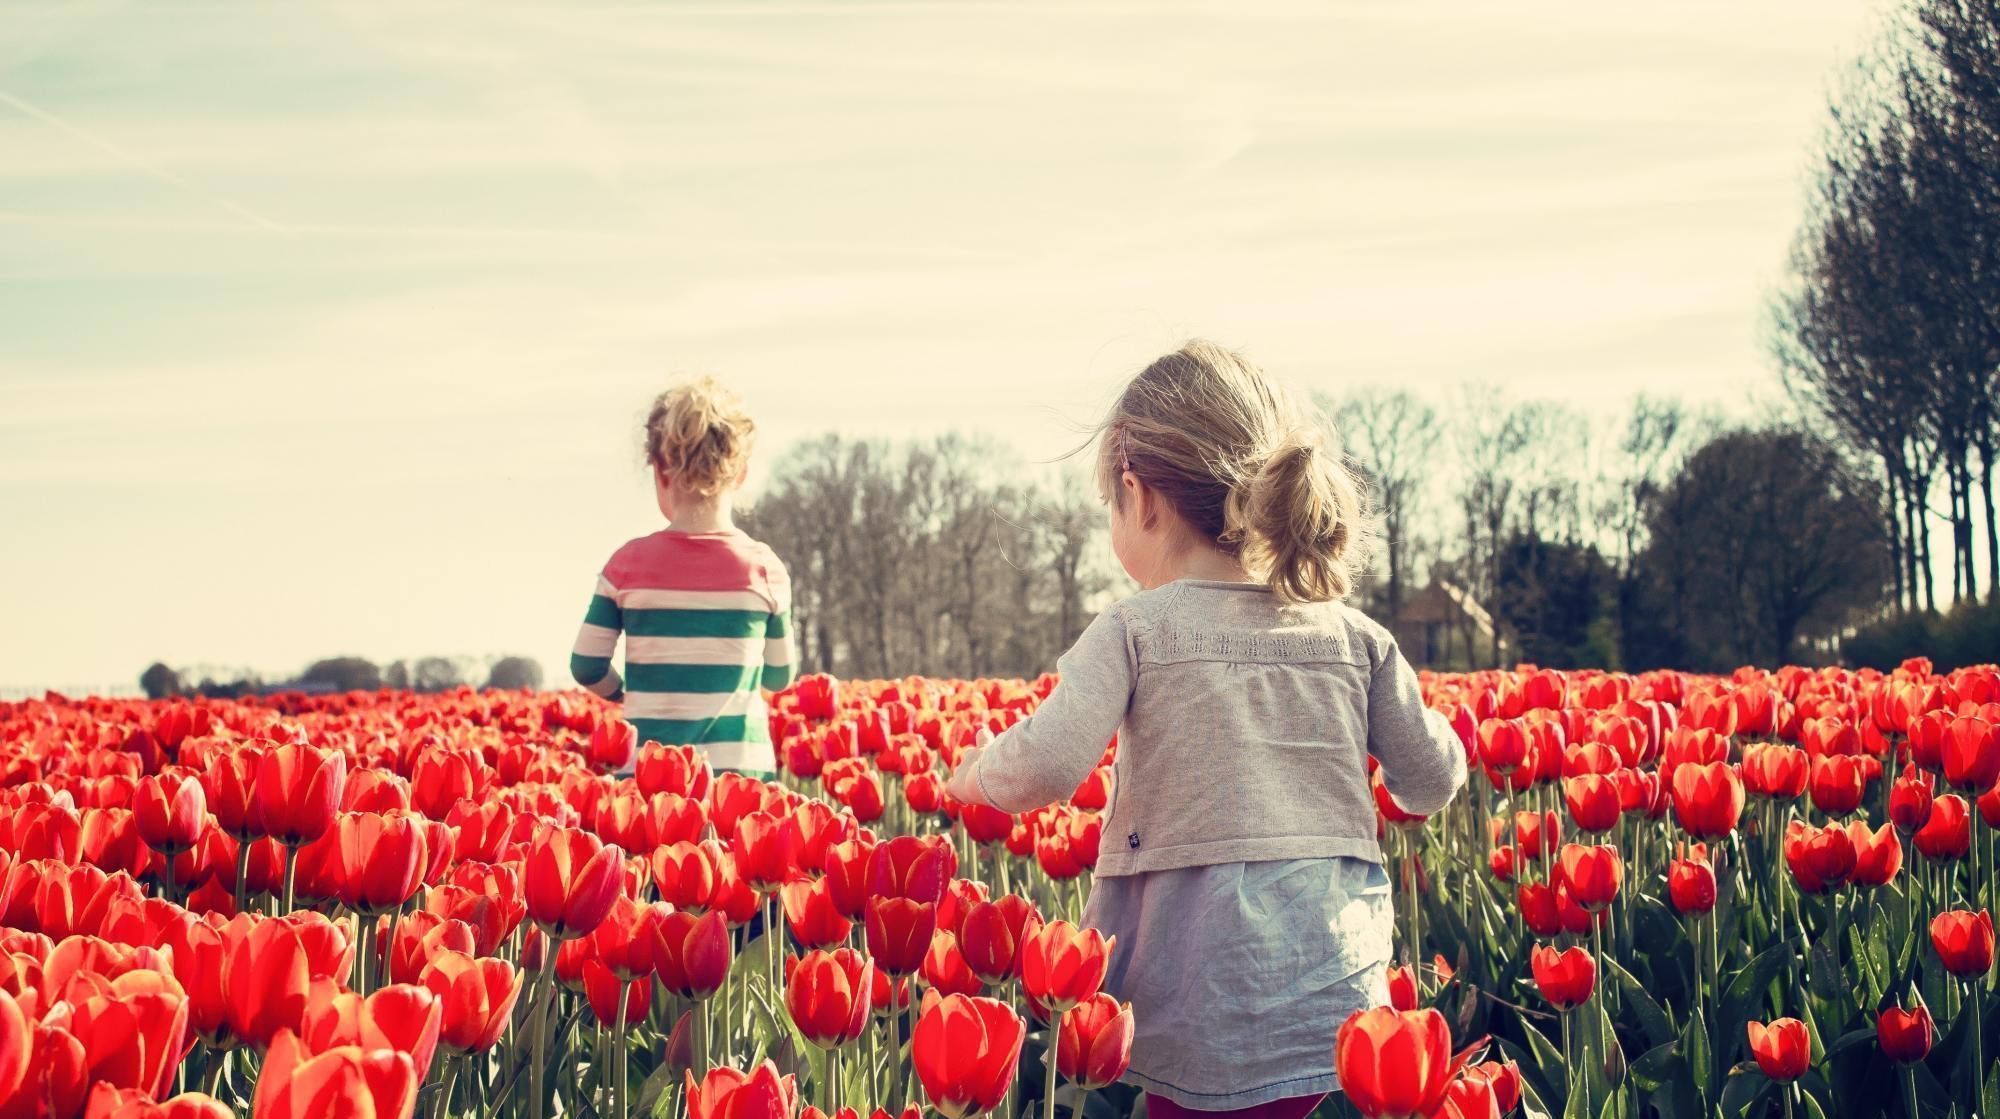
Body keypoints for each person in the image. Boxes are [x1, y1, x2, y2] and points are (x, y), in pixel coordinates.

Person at [946, 341, 1467, 1119]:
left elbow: (1051, 764)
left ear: (1140, 495)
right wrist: (1449, 738)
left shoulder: (1135, 629)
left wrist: (970, 774)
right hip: (1337, 992)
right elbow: (1427, 780)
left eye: (1110, 507)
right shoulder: (1354, 637)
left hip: (1194, 996)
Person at [570, 376, 796, 778]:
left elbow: (586, 665)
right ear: (741, 473)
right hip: (739, 773)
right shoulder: (764, 569)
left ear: (659, 470)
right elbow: (780, 675)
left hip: (648, 774)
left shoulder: (627, 565)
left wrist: (626, 694)